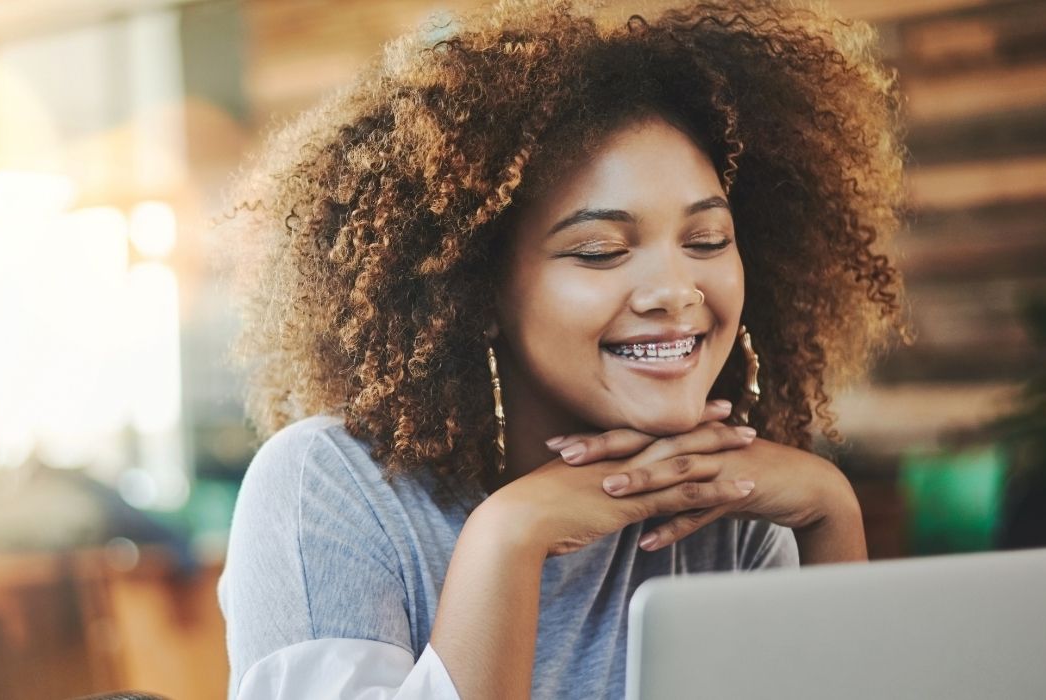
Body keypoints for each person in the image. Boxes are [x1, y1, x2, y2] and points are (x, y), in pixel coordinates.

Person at [216, 0, 907, 697]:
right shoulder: (328, 487)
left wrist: (830, 514)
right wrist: (510, 535)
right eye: (601, 250)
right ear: (477, 294)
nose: (674, 290)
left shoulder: (726, 514)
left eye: (706, 241)